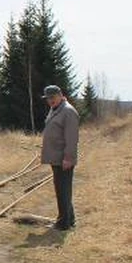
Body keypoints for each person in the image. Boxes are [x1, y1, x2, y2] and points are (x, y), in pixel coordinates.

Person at [41, 84, 79, 230]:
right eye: (48, 98)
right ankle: (69, 220)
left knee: (63, 190)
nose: (50, 100)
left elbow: (72, 138)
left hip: (64, 158)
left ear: (60, 95)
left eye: (53, 97)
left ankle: (63, 223)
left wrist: (68, 158)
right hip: (56, 157)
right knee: (62, 190)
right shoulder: (55, 109)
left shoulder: (68, 111)